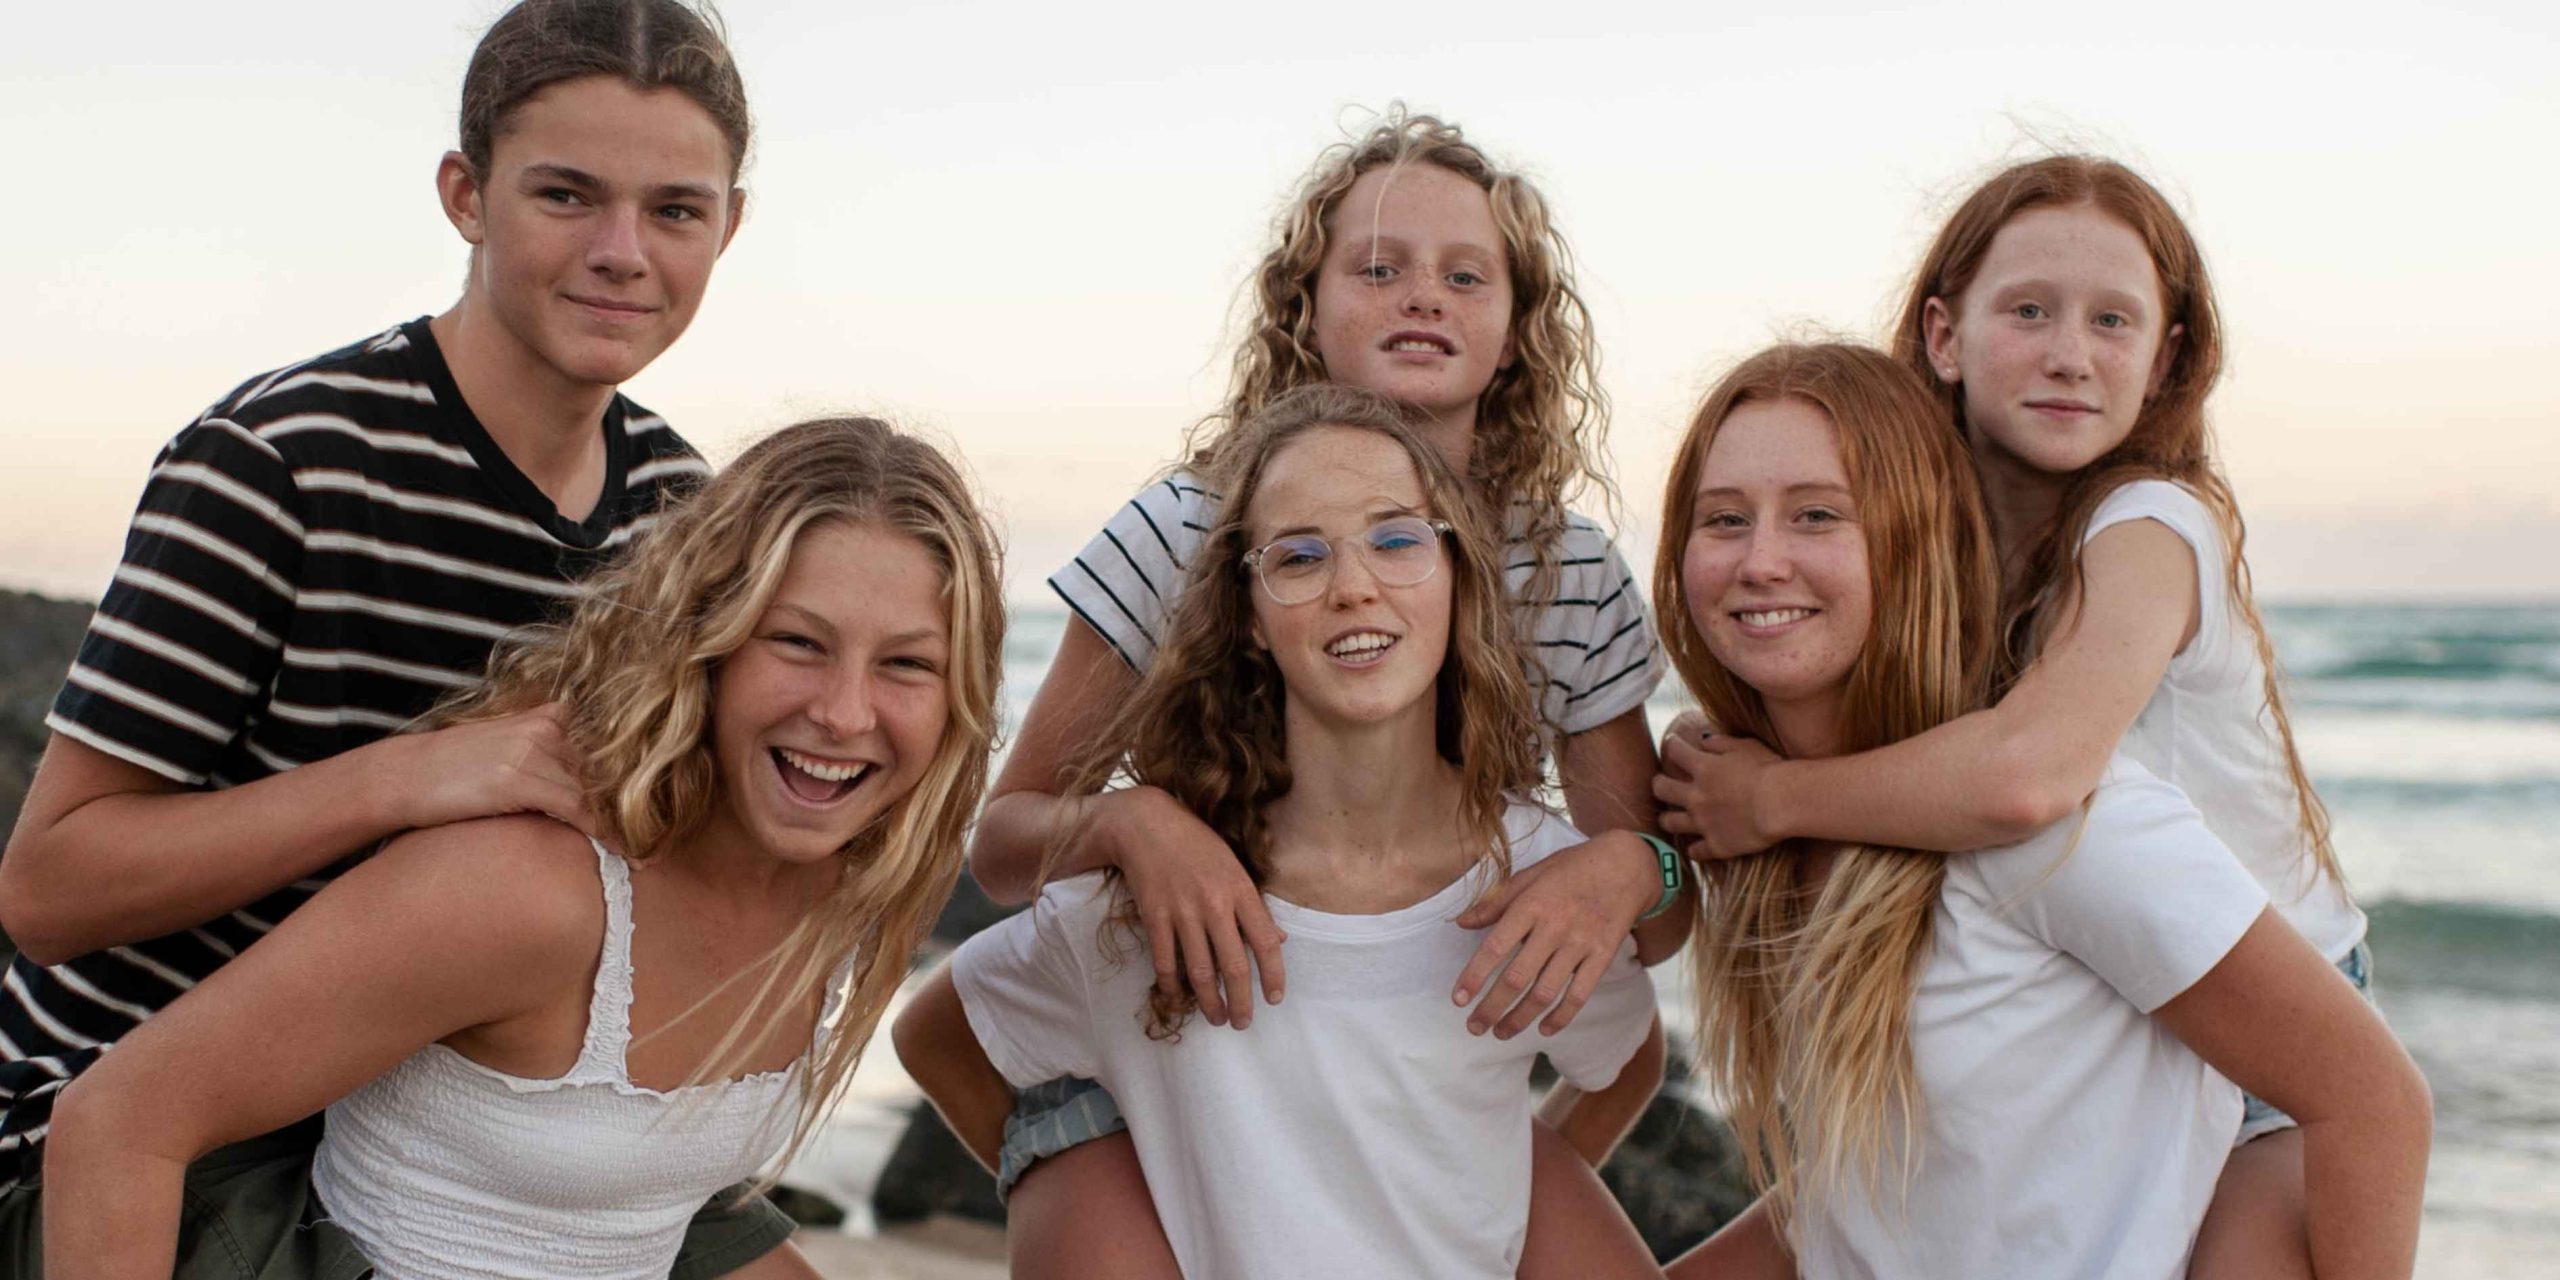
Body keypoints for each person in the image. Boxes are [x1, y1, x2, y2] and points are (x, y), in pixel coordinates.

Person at [0, 0, 809, 1269]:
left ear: (729, 227)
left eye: (674, 211)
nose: (621, 252)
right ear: (465, 195)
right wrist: (401, 780)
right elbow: (49, 891)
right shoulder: (279, 463)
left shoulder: (683, 515)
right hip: (170, 1131)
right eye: (565, 195)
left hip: (475, 1106)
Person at [971, 109, 1688, 1277]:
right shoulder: (1186, 532)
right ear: (1302, 308)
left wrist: (1629, 863)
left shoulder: (1568, 570)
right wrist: (1132, 819)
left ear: (1515, 331)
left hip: (1413, 1008)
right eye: (1377, 267)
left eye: (1466, 274)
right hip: (1220, 1010)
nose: (1423, 295)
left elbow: (1655, 921)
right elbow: (1005, 849)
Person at [38, 416, 1006, 1279]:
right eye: (798, 641)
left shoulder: (849, 884)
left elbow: (653, 1204)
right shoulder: (533, 890)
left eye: (906, 664)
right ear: (709, 641)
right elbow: (114, 1127)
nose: (843, 713)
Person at [1656, 156, 2375, 1276]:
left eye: (2112, 320)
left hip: (2270, 1055)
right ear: (1942, 334)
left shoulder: (2149, 525)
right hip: (2142, 997)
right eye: (2027, 310)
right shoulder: (1948, 550)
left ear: (2167, 357)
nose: (2067, 352)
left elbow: (2027, 775)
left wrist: (1773, 796)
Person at [897, 384, 1664, 1278]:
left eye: (1398, 539)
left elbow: (1627, 1061)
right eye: (1299, 558)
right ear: (1251, 618)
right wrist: (1081, 1184)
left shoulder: (1539, 880)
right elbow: (936, 1034)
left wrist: (1517, 1202)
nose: (1354, 585)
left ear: (1458, 581)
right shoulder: (1172, 891)